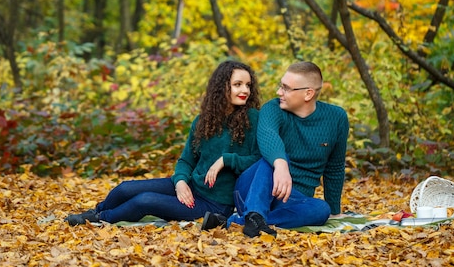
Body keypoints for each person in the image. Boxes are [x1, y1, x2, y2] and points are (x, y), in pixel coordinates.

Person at [65, 60, 262, 226]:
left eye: (248, 85)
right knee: (125, 188)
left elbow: (258, 161)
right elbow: (186, 160)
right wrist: (181, 182)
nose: (245, 90)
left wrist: (225, 160)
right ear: (222, 87)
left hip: (215, 203)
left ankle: (100, 220)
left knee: (145, 201)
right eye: (238, 84)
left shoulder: (253, 119)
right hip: (192, 187)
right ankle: (96, 211)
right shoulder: (204, 120)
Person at [201, 61, 349, 237]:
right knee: (272, 157)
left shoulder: (336, 118)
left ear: (308, 94)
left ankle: (237, 222)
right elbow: (268, 137)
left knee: (321, 210)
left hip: (291, 199)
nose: (279, 92)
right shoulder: (273, 108)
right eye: (281, 86)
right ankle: (255, 214)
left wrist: (334, 209)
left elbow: (335, 167)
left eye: (286, 88)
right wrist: (281, 165)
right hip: (253, 188)